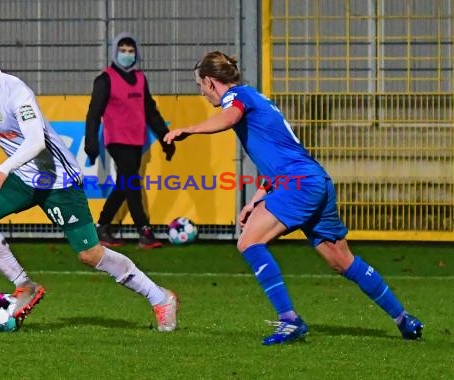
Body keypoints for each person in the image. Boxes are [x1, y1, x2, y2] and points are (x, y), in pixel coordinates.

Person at [164, 51, 423, 345]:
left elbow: (229, 117)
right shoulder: (258, 99)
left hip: (298, 183)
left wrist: (189, 129)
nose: (202, 93)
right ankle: (404, 320)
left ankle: (289, 320)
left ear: (211, 82)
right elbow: (278, 156)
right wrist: (256, 199)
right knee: (342, 260)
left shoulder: (236, 98)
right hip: (316, 180)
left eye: (200, 86)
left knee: (248, 241)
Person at [0, 29, 178, 331]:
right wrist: (11, 170)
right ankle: (24, 286)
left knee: (90, 254)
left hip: (58, 181)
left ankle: (160, 298)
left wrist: (2, 169)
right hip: (23, 178)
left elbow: (36, 142)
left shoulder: (17, 93)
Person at [85, 32, 176, 249]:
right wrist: (91, 143)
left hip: (137, 141)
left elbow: (150, 112)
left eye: (130, 51)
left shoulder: (140, 79)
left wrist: (165, 139)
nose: (127, 54)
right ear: (115, 52)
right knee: (133, 183)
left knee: (124, 184)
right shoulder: (105, 79)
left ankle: (103, 226)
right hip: (117, 141)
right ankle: (144, 231)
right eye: (122, 50)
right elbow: (94, 113)